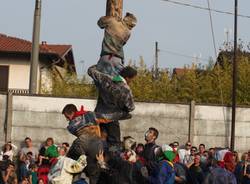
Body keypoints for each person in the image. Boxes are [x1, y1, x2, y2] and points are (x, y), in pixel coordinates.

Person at [62, 104, 119, 184]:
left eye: (67, 117)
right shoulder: (90, 117)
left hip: (84, 146)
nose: (68, 120)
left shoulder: (71, 126)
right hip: (95, 149)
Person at [88, 65, 137, 149]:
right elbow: (131, 107)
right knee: (115, 145)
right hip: (112, 119)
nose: (131, 81)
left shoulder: (105, 78)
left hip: (98, 117)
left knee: (98, 140)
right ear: (128, 78)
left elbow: (90, 70)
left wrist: (102, 64)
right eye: (132, 79)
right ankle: (110, 158)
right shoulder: (125, 89)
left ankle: (99, 157)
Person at [97, 12, 137, 76]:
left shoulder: (112, 21)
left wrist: (110, 17)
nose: (131, 28)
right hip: (117, 60)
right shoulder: (128, 33)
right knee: (117, 82)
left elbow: (100, 23)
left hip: (105, 58)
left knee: (101, 81)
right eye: (131, 26)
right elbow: (122, 44)